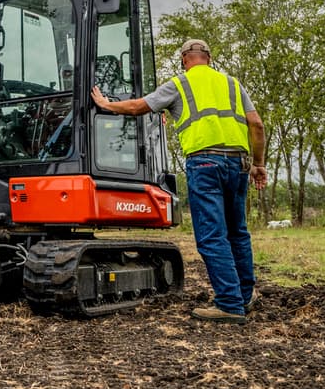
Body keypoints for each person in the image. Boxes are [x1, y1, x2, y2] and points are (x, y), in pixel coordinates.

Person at [91, 38, 267, 325]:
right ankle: (245, 297)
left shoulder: (180, 84)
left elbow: (139, 106)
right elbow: (257, 125)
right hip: (239, 164)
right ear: (208, 58)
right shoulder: (233, 85)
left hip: (205, 163)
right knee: (238, 232)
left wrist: (107, 105)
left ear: (185, 59)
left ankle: (229, 304)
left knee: (213, 236)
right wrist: (258, 165)